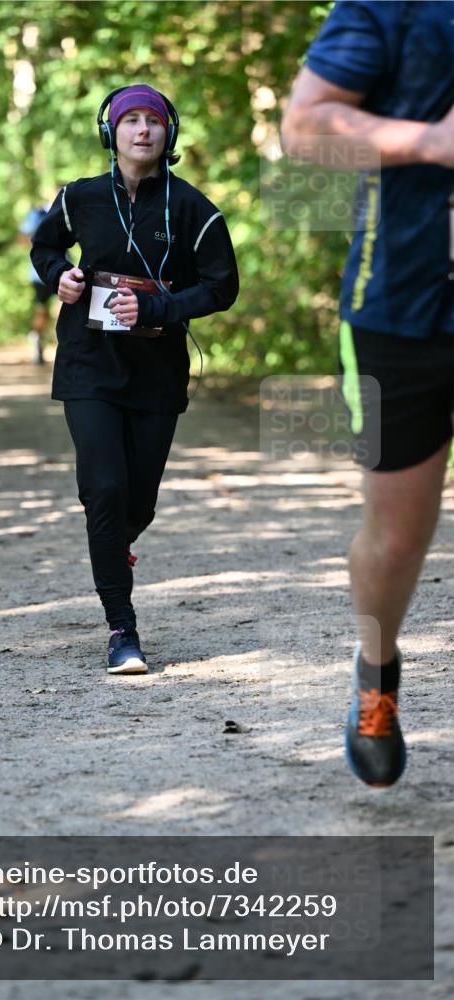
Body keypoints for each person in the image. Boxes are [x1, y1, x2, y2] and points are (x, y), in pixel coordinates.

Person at [281, 1, 454, 786]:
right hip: (400, 311)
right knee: (395, 541)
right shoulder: (391, 5)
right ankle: (375, 674)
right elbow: (303, 129)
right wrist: (431, 142)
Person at [31, 84, 239, 674]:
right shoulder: (79, 197)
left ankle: (114, 544)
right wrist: (59, 276)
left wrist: (159, 308)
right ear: (111, 132)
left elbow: (222, 286)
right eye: (131, 121)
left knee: (136, 501)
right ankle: (122, 629)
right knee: (103, 488)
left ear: (168, 133)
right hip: (88, 364)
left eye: (153, 121)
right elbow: (45, 249)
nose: (142, 130)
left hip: (157, 372)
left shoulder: (195, 208)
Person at [19, 203, 53, 364]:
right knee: (42, 311)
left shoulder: (72, 206)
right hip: (40, 273)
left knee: (65, 307)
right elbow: (22, 237)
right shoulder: (37, 214)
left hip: (66, 270)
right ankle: (37, 338)